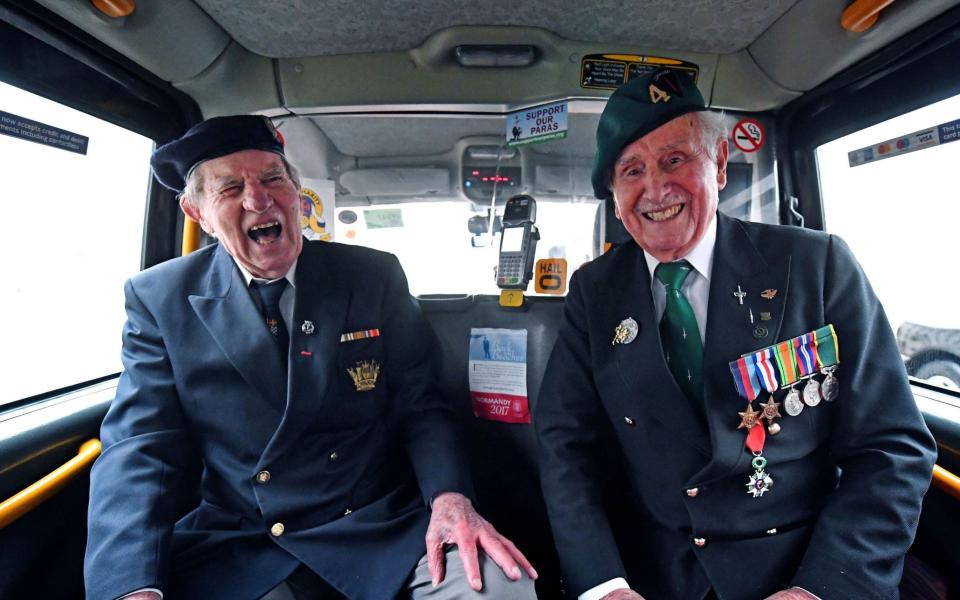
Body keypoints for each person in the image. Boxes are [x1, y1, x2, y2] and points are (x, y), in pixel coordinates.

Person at [84, 115, 537, 600]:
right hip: (246, 539)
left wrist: (451, 499)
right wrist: (131, 585)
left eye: (272, 178)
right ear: (196, 213)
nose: (258, 199)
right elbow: (140, 445)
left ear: (296, 193)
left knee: (496, 588)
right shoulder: (160, 297)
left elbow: (420, 405)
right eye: (231, 187)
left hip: (374, 525)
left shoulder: (371, 275)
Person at [534, 70, 937, 600]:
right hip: (649, 577)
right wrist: (604, 584)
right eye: (632, 170)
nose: (655, 189)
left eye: (675, 159)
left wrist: (822, 587)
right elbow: (566, 447)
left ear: (720, 164)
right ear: (615, 195)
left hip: (797, 567)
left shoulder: (817, 266)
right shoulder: (594, 293)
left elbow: (891, 447)